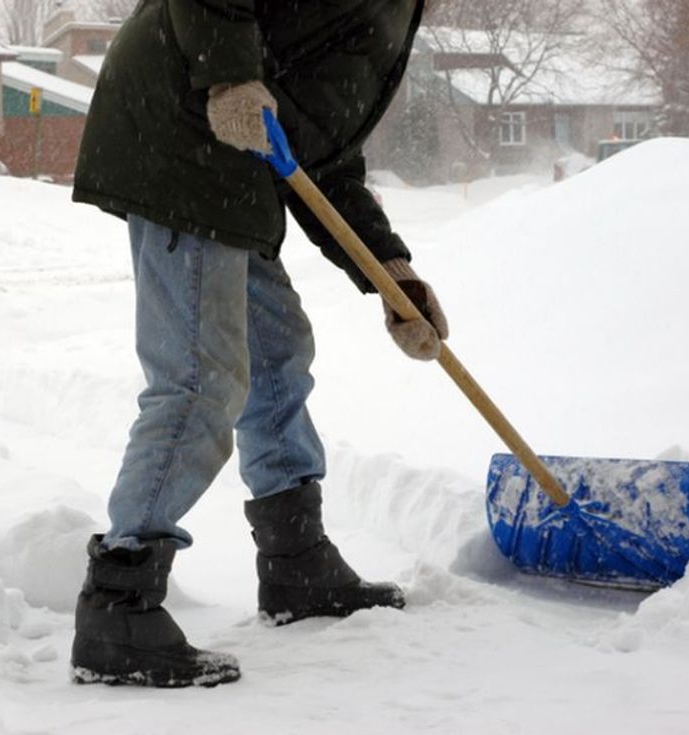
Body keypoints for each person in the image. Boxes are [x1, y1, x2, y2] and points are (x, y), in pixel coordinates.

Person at [70, 0, 448, 688]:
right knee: (198, 374)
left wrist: (389, 273)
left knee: (276, 349)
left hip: (235, 149)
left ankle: (295, 560)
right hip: (183, 124)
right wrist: (227, 75)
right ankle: (119, 602)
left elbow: (318, 153)